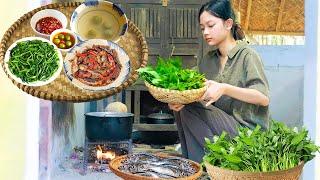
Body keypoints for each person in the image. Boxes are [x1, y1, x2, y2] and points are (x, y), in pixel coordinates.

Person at [168, 0, 270, 163]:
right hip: (221, 128)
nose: (205, 32)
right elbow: (188, 87)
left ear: (228, 24)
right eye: (202, 28)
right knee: (183, 107)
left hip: (248, 135)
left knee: (190, 107)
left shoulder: (247, 56)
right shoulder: (208, 60)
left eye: (211, 25)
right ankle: (197, 164)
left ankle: (209, 163)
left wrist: (224, 88)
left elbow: (263, 98)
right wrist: (177, 100)